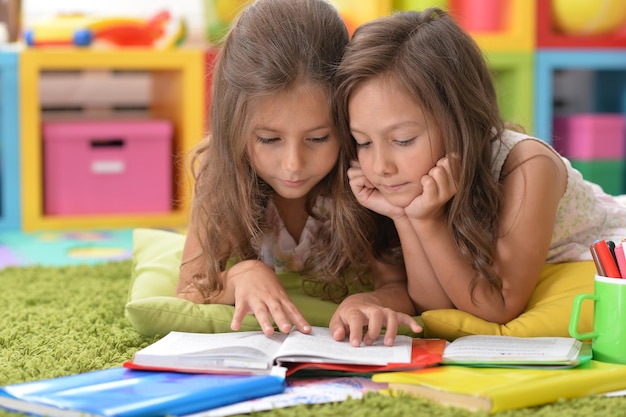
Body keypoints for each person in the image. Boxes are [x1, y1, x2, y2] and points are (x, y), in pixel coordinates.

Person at [335, 8, 626, 324]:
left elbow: (497, 306)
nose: (380, 166)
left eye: (403, 140)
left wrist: (428, 223)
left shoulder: (529, 165)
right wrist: (408, 217)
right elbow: (435, 306)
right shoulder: (415, 186)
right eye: (363, 142)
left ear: (458, 121)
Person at [176, 0, 421, 346]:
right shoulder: (221, 170)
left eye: (318, 137)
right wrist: (242, 274)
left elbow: (399, 285)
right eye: (269, 138)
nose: (293, 163)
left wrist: (370, 300)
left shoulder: (360, 176)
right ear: (235, 125)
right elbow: (189, 289)